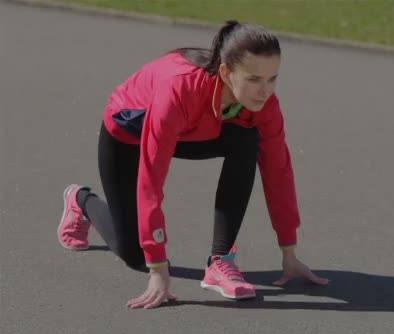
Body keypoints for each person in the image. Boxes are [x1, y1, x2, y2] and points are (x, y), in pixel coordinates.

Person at [56, 20, 329, 310]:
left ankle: (220, 261)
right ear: (225, 72)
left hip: (195, 127)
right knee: (135, 256)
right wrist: (159, 268)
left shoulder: (265, 105)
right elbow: (151, 182)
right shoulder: (178, 90)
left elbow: (278, 171)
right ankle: (81, 200)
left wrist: (289, 250)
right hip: (129, 134)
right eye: (253, 79)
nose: (265, 90)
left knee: (246, 139)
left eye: (272, 78)